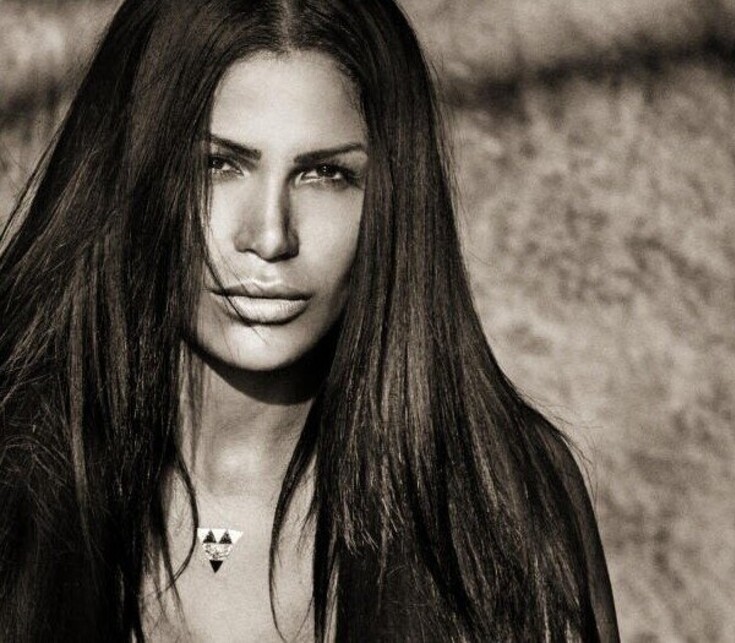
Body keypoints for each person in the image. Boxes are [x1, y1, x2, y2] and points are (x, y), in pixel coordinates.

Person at [0, 0, 618, 640]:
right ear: (128, 170)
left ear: (391, 200)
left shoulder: (497, 493)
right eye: (218, 165)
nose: (270, 237)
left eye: (325, 174)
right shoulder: (13, 456)